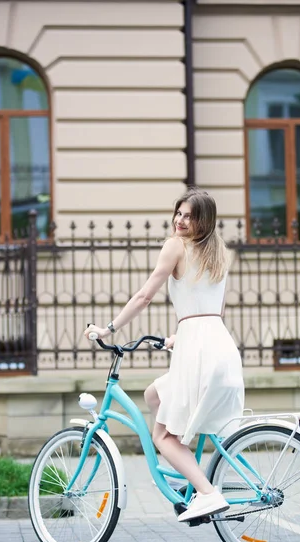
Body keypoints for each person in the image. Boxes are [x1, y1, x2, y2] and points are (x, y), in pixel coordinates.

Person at [84, 187, 245, 522]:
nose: (180, 221)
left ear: (204, 221)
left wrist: (108, 330)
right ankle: (187, 470)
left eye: (189, 216)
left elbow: (145, 295)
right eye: (178, 213)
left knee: (162, 435)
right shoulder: (220, 252)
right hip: (219, 344)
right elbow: (211, 309)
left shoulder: (175, 247)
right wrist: (177, 337)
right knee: (153, 394)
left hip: (198, 348)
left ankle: (206, 492)